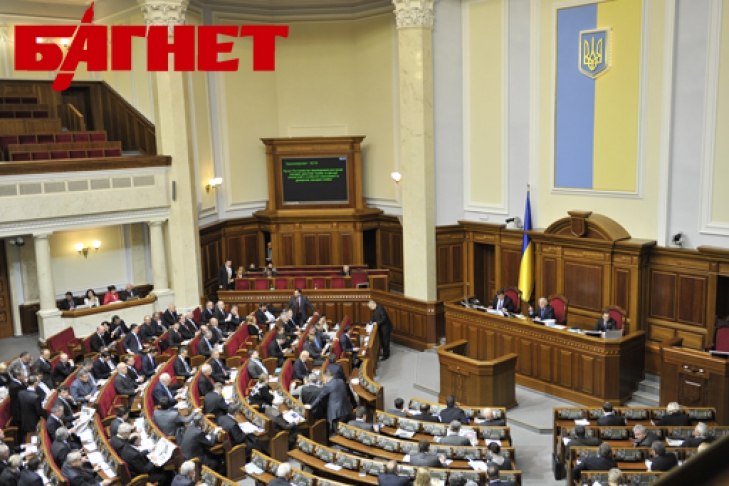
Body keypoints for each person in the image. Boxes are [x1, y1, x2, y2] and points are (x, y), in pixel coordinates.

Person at [307, 368, 353, 432]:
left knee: (337, 433)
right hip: (347, 410)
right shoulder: (341, 381)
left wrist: (311, 406)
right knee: (348, 431)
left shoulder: (328, 386)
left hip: (337, 414)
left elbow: (319, 398)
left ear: (326, 379)